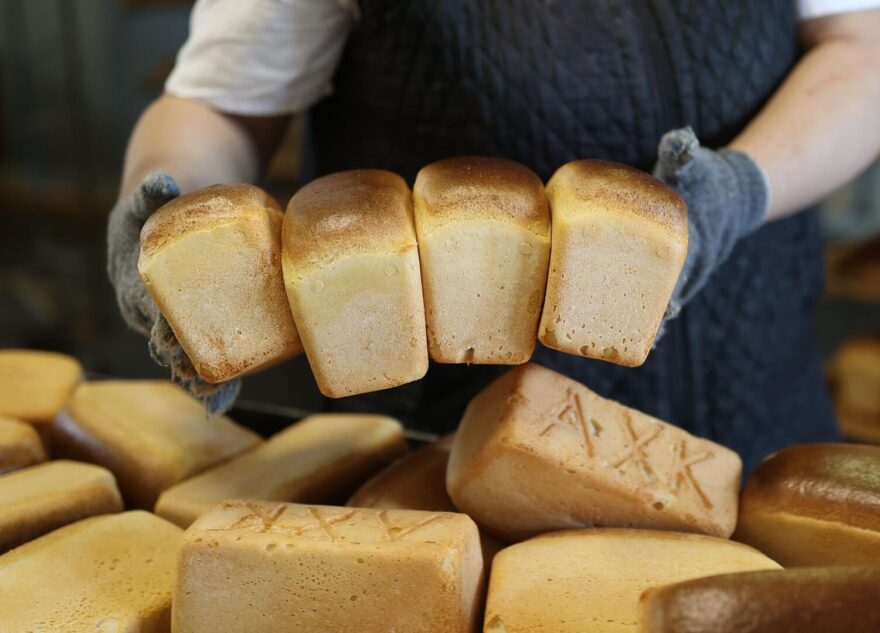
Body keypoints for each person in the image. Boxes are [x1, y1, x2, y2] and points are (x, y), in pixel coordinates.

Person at [108, 0, 880, 472]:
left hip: (751, 409)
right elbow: (217, 107)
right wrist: (168, 216)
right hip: (444, 450)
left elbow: (861, 47)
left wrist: (738, 190)